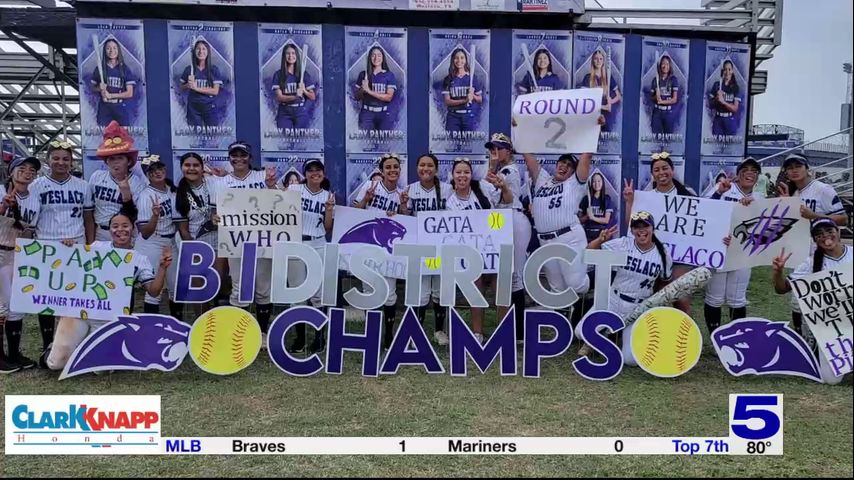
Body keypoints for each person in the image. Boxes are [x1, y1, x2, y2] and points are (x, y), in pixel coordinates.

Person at [41, 208, 172, 371]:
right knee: (56, 364)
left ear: (133, 229)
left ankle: (86, 347)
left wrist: (162, 268)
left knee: (101, 369)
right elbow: (72, 265)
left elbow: (153, 291)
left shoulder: (139, 259)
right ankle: (54, 349)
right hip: (80, 309)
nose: (120, 230)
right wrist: (69, 247)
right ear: (109, 230)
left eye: (125, 225)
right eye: (115, 226)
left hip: (109, 316)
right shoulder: (97, 247)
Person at [210, 141, 278, 345]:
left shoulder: (262, 176)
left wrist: (272, 184)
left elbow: (281, 202)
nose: (239, 159)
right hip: (235, 239)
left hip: (263, 236)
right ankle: (238, 332)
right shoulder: (220, 181)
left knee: (263, 287)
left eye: (243, 155)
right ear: (229, 157)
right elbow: (216, 211)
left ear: (250, 157)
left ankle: (263, 333)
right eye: (234, 155)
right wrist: (215, 218)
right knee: (239, 286)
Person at [772, 218, 851, 385]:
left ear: (837, 232)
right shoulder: (810, 263)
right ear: (815, 240)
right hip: (832, 328)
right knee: (831, 380)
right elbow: (782, 289)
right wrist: (778, 272)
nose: (826, 237)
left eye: (829, 231)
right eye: (819, 235)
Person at [776, 153, 847, 336]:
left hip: (822, 251)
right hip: (797, 250)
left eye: (798, 166)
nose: (794, 171)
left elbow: (843, 219)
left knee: (826, 298)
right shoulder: (791, 192)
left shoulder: (823, 189)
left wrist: (814, 216)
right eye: (790, 168)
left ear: (807, 168)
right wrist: (784, 204)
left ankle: (829, 338)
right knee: (799, 299)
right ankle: (803, 339)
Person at [586, 211, 672, 362]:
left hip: (638, 306)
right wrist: (599, 240)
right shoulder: (623, 244)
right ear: (631, 230)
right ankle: (606, 334)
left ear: (653, 228)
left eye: (645, 226)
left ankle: (613, 334)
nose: (641, 230)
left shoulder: (663, 253)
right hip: (613, 299)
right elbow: (588, 253)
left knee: (630, 360)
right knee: (582, 333)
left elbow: (665, 281)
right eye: (636, 227)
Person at [30, 141, 88, 354]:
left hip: (76, 243)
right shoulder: (36, 186)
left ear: (72, 162)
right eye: (56, 158)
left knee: (74, 297)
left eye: (66, 159)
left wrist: (88, 245)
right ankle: (47, 345)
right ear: (48, 160)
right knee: (46, 298)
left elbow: (88, 217)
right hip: (47, 244)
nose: (61, 162)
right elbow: (30, 219)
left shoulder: (83, 185)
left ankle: (69, 345)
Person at [446, 158, 511, 342]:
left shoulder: (483, 187)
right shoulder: (451, 202)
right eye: (458, 172)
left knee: (501, 290)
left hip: (494, 246)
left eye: (466, 172)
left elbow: (508, 200)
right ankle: (477, 333)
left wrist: (504, 187)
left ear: (471, 174)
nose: (462, 176)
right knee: (477, 290)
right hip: (472, 250)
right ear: (452, 175)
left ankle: (504, 332)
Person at [524, 150, 593, 321]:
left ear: (573, 171)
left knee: (577, 284)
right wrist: (520, 131)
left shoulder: (575, 183)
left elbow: (587, 157)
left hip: (569, 237)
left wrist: (594, 129)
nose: (564, 166)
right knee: (557, 289)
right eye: (562, 162)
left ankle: (601, 277)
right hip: (545, 240)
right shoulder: (543, 180)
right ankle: (564, 328)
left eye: (569, 165)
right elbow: (527, 155)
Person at [624, 151, 696, 314]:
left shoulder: (688, 194)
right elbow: (632, 226)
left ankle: (685, 336)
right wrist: (629, 202)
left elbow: (703, 223)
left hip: (680, 256)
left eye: (665, 168)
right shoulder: (646, 197)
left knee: (681, 298)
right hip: (654, 255)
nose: (661, 173)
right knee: (654, 299)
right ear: (652, 174)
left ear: (672, 170)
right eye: (656, 170)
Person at [703, 157, 763, 334]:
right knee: (714, 297)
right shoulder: (724, 189)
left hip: (743, 253)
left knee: (737, 299)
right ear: (738, 175)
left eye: (754, 171)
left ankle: (736, 337)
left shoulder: (760, 197)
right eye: (745, 170)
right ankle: (715, 337)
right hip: (719, 250)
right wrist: (719, 192)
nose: (750, 174)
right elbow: (703, 210)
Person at [399, 154, 453, 344]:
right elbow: (406, 218)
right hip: (419, 246)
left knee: (439, 290)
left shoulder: (447, 189)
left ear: (436, 169)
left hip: (441, 245)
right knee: (420, 292)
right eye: (422, 165)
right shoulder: (410, 189)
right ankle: (417, 331)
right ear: (416, 168)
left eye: (430, 165)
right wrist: (403, 207)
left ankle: (440, 330)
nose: (426, 168)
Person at [352, 153, 404, 348]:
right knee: (369, 292)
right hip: (368, 245)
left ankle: (389, 335)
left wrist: (402, 210)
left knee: (390, 294)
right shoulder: (371, 187)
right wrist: (366, 198)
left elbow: (407, 222)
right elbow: (354, 211)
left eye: (395, 167)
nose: (392, 170)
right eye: (388, 167)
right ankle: (371, 335)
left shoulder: (401, 193)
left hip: (389, 250)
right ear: (382, 171)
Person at [284, 159, 335, 355]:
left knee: (318, 293)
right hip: (296, 242)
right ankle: (300, 337)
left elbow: (328, 227)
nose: (315, 173)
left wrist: (329, 209)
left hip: (318, 242)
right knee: (297, 293)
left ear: (323, 172)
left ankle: (319, 337)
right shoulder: (295, 189)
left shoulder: (328, 195)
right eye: (310, 170)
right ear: (305, 174)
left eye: (318, 169)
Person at [486, 133, 532, 340]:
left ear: (508, 150)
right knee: (510, 275)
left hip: (513, 218)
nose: (494, 152)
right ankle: (515, 329)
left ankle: (519, 330)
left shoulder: (508, 170)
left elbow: (494, 197)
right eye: (492, 148)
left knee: (515, 276)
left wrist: (492, 166)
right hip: (505, 220)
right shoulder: (500, 170)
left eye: (498, 148)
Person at [0, 156, 42, 373]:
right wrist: (3, 206)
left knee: (17, 306)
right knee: (1, 307)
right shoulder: (1, 191)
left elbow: (28, 230)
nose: (27, 172)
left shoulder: (35, 199)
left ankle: (14, 353)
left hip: (18, 254)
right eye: (22, 168)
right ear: (11, 171)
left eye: (32, 170)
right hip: (0, 250)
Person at [83, 120, 148, 243]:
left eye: (120, 158)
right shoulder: (96, 177)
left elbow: (136, 216)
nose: (116, 162)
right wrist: (90, 240)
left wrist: (126, 196)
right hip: (101, 232)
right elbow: (88, 211)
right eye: (112, 158)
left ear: (128, 161)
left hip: (125, 234)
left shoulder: (137, 182)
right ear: (106, 161)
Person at [174, 151, 226, 302]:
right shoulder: (177, 193)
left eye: (196, 165)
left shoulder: (215, 183)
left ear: (203, 168)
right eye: (187, 165)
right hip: (194, 240)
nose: (191, 168)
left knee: (217, 282)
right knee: (200, 287)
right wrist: (193, 252)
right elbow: (183, 229)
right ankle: (200, 320)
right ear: (181, 167)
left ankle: (216, 320)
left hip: (217, 239)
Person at [135, 155, 180, 320]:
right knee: (154, 291)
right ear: (148, 175)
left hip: (170, 241)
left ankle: (178, 325)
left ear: (165, 169)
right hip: (152, 242)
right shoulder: (146, 196)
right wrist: (155, 216)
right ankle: (150, 328)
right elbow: (145, 233)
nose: (157, 173)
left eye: (159, 169)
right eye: (152, 171)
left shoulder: (171, 190)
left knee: (176, 288)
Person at [91, 38, 136, 127]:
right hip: (104, 107)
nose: (112, 51)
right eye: (108, 48)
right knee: (104, 137)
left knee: (123, 137)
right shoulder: (100, 68)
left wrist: (111, 95)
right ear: (105, 50)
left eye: (114, 48)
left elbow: (129, 93)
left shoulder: (124, 69)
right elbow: (92, 88)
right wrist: (99, 88)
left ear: (118, 50)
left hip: (119, 106)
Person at [179, 39, 224, 127]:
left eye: (204, 49)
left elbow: (215, 91)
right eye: (198, 49)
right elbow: (181, 87)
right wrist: (188, 85)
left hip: (209, 107)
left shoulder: (213, 69)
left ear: (208, 52)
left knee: (212, 135)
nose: (201, 51)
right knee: (194, 136)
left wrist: (196, 88)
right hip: (193, 108)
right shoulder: (189, 69)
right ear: (194, 51)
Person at [273, 44, 317, 129]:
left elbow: (312, 97)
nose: (290, 56)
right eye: (288, 53)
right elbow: (279, 97)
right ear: (284, 56)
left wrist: (304, 90)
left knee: (301, 139)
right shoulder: (278, 75)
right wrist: (295, 97)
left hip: (300, 110)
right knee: (284, 138)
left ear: (296, 55)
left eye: (293, 53)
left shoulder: (304, 75)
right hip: (284, 111)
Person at [354, 46, 397, 131]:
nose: (376, 58)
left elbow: (388, 98)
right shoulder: (363, 74)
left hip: (384, 115)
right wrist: (362, 89)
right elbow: (357, 97)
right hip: (366, 115)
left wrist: (369, 91)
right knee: (365, 142)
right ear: (369, 57)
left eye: (379, 55)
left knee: (384, 142)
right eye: (373, 55)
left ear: (383, 58)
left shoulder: (389, 75)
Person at [443, 48, 484, 134]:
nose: (459, 60)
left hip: (468, 116)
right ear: (453, 60)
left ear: (465, 60)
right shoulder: (448, 79)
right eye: (456, 58)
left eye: (462, 58)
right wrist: (464, 100)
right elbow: (447, 101)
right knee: (451, 145)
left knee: (469, 145)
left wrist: (473, 96)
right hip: (453, 117)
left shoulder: (472, 78)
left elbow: (480, 99)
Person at [579, 49, 621, 132]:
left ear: (604, 61)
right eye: (596, 59)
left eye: (601, 59)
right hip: (592, 114)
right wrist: (602, 107)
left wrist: (611, 101)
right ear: (593, 61)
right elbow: (583, 100)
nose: (598, 61)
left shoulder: (608, 77)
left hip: (606, 116)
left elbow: (618, 96)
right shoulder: (587, 78)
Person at [578, 171, 616, 242]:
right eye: (594, 181)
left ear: (602, 183)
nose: (596, 184)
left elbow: (606, 220)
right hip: (588, 235)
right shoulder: (585, 199)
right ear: (591, 184)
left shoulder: (607, 199)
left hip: (603, 234)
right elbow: (579, 221)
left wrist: (593, 217)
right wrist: (587, 216)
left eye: (599, 181)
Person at [708, 60, 741, 136]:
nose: (727, 72)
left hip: (729, 120)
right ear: (723, 71)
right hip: (718, 120)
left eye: (729, 69)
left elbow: (735, 108)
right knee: (716, 145)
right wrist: (717, 98)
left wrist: (723, 102)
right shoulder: (717, 85)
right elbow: (709, 105)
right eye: (725, 69)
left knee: (729, 145)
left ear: (732, 71)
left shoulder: (735, 87)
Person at [649, 55, 680, 136]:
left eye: (667, 64)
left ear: (670, 66)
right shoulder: (655, 80)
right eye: (663, 63)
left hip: (668, 113)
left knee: (668, 138)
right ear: (660, 66)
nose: (665, 66)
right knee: (656, 137)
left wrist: (662, 101)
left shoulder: (673, 80)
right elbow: (651, 98)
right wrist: (656, 97)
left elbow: (674, 99)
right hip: (657, 113)